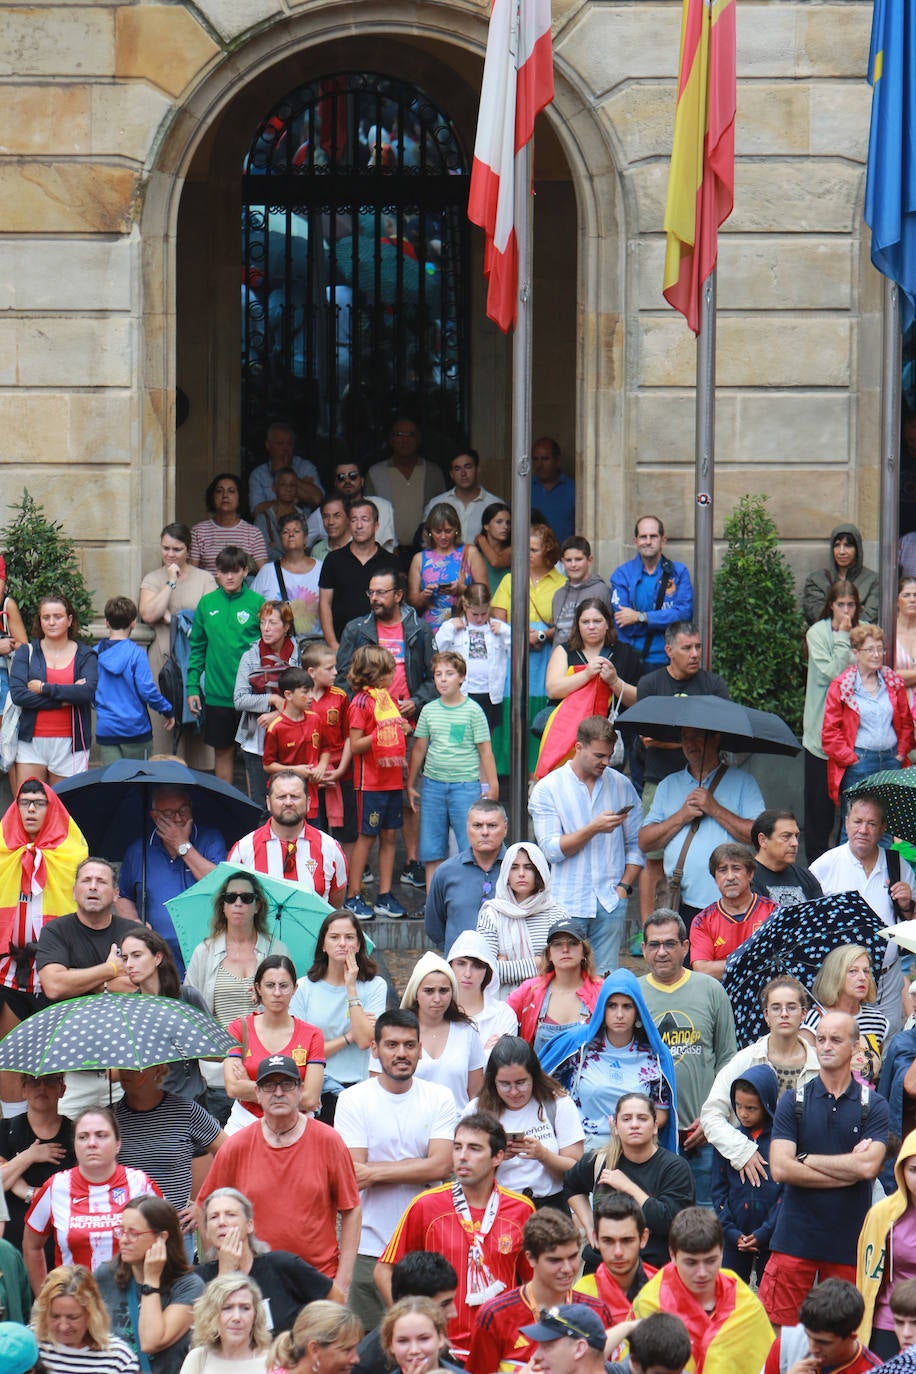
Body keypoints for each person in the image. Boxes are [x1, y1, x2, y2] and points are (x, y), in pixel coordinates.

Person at [761, 1011, 890, 1330]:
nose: (826, 1046)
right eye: (821, 1039)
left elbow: (869, 1166)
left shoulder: (873, 1105)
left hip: (849, 1242)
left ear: (855, 1046)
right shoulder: (793, 1100)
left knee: (844, 1336)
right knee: (781, 1337)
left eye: (836, 1039)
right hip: (794, 1238)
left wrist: (805, 1158)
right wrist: (850, 1168)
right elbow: (780, 1168)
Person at [375, 1112, 535, 1361]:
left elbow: (534, 1283)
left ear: (498, 1157)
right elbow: (384, 1271)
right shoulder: (426, 1205)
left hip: (502, 1351)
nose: (462, 1156)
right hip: (443, 1352)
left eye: (474, 1148)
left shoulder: (521, 1209)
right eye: (457, 1147)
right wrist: (412, 1324)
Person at [335, 1009, 456, 1330]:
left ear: (420, 1049)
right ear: (374, 1049)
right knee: (369, 1352)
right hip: (368, 1246)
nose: (401, 1053)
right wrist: (420, 1167)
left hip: (427, 1248)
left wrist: (375, 1173)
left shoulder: (440, 1097)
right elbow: (353, 1176)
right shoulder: (352, 1100)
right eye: (391, 1045)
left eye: (409, 1045)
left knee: (428, 1346)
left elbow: (443, 1165)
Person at [197, 1054, 361, 1287]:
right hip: (254, 1283)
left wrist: (343, 1280)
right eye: (269, 1085)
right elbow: (204, 1206)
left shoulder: (328, 1141)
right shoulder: (237, 1146)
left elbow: (352, 1209)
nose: (278, 1092)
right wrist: (223, 1270)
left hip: (318, 1279)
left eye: (286, 1084)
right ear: (257, 1093)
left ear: (300, 1090)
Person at [335, 568, 435, 890]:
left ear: (398, 595)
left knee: (408, 797)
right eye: (371, 593)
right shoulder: (357, 628)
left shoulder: (418, 628)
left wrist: (415, 702)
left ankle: (412, 864)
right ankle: (359, 878)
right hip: (371, 727)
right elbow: (342, 679)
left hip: (407, 723)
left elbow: (433, 679)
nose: (375, 599)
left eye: (381, 592)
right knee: (370, 813)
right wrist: (369, 711)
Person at [529, 715, 643, 977]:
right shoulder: (548, 788)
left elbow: (637, 844)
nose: (606, 762)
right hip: (566, 899)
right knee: (563, 977)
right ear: (578, 747)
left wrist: (624, 887)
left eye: (610, 755)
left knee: (604, 980)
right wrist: (593, 828)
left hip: (611, 899)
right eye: (599, 755)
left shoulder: (621, 785)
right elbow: (552, 851)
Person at [638, 909, 738, 1208]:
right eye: (654, 944)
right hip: (648, 1138)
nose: (662, 952)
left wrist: (713, 1118)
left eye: (670, 943)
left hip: (703, 1134)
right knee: (655, 1221)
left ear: (685, 947)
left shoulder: (711, 990)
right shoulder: (633, 994)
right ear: (643, 949)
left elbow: (728, 1061)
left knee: (706, 1219)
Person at [632, 621, 729, 920]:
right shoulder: (650, 684)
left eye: (698, 646)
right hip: (660, 778)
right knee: (654, 859)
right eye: (687, 648)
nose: (695, 653)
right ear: (669, 650)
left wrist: (669, 741)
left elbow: (720, 735)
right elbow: (646, 739)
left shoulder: (713, 686)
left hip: (707, 780)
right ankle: (649, 930)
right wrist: (692, 741)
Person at [182, 869, 289, 1125]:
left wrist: (266, 998)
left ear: (257, 905)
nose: (238, 903)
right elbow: (188, 1012)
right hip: (218, 1073)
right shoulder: (204, 951)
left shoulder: (276, 949)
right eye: (231, 898)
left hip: (266, 1069)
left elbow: (290, 1006)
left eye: (246, 898)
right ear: (223, 906)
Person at [639, 727, 765, 931]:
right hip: (681, 902)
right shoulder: (668, 784)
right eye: (685, 738)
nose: (690, 744)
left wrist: (714, 808)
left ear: (716, 739)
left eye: (697, 737)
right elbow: (645, 842)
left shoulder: (743, 782)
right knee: (686, 962)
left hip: (732, 901)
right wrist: (681, 816)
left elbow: (758, 836)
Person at [23, 1107, 160, 1294]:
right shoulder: (55, 1187)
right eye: (83, 1137)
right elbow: (31, 1245)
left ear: (118, 1143)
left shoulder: (141, 1184)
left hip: (131, 1304)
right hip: (74, 1307)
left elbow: (169, 1236)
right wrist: (44, 1298)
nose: (92, 1143)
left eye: (101, 1135)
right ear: (75, 1145)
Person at [809, 793, 914, 1035]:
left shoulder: (898, 865)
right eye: (857, 822)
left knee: (885, 1045)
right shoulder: (825, 865)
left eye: (872, 823)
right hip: (841, 981)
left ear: (883, 828)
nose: (863, 830)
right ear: (846, 823)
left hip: (887, 979)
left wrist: (908, 904)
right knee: (843, 1042)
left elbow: (913, 926)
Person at [700, 975, 819, 1187]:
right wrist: (743, 1151)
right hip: (756, 1173)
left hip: (804, 1172)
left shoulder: (820, 1065)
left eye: (791, 1007)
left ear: (803, 1014)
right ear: (766, 1015)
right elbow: (711, 1115)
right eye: (776, 1007)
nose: (784, 1014)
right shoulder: (745, 1060)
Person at [0, 779, 87, 1061]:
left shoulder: (72, 855)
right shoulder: (2, 850)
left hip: (56, 969)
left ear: (51, 808)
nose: (31, 809)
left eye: (39, 803)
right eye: (24, 802)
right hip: (8, 969)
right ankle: (15, 1109)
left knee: (53, 1056)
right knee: (9, 1054)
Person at [540, 970, 676, 1151]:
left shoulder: (655, 1054)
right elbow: (541, 1085)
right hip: (583, 1151)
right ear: (602, 1009)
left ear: (638, 1010)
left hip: (634, 1151)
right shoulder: (578, 1045)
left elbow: (661, 1109)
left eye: (627, 1006)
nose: (619, 1014)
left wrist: (634, 1134)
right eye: (612, 1006)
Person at [468, 1209, 611, 1374]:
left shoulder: (597, 1311)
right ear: (530, 1258)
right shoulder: (495, 1315)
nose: (567, 1269)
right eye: (554, 1260)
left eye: (572, 1257)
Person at [631, 1207, 774, 1372]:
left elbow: (766, 1365)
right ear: (672, 1255)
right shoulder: (650, 1303)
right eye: (691, 1263)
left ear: (721, 1252)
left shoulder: (746, 1305)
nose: (702, 1273)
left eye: (711, 1261)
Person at [564, 1092, 693, 1272]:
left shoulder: (675, 1168)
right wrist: (590, 1226)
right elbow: (571, 1185)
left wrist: (628, 1187)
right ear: (615, 1126)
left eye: (642, 1118)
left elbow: (668, 1223)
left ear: (655, 1126)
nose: (634, 1125)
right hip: (600, 1268)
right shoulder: (599, 1160)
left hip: (652, 1272)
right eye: (626, 1119)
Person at [407, 650, 497, 887]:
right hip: (433, 786)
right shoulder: (429, 710)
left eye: (449, 673)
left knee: (472, 845)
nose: (443, 679)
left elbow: (485, 751)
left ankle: (471, 899)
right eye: (438, 674)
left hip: (465, 786)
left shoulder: (473, 710)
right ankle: (433, 903)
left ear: (462, 677)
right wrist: (411, 783)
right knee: (431, 848)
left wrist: (492, 786)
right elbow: (419, 749)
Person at [196, 1189, 341, 1336]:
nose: (222, 1222)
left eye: (231, 1215)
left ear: (249, 1225)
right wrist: (225, 1273)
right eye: (214, 1217)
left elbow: (336, 1300)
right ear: (207, 1231)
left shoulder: (282, 1265)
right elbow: (204, 1335)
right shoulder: (198, 1279)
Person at [115, 784, 226, 977]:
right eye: (168, 813)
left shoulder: (210, 838)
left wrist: (182, 845)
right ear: (154, 816)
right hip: (158, 958)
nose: (178, 818)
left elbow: (221, 886)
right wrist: (134, 924)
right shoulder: (138, 849)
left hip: (209, 953)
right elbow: (124, 896)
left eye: (183, 810)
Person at [290, 910, 387, 1123]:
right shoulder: (304, 987)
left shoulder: (374, 986)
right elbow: (301, 1050)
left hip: (357, 1087)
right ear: (323, 945)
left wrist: (351, 986)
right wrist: (348, 1037)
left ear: (359, 944)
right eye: (334, 937)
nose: (342, 943)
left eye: (349, 937)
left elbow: (364, 1041)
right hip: (315, 1090)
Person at [469, 1034, 583, 1206]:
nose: (514, 1092)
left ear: (534, 1077)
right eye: (505, 1084)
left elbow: (575, 1168)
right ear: (493, 1082)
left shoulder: (558, 1104)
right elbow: (463, 1168)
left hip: (549, 1205)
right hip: (496, 1204)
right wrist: (495, 1157)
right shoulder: (476, 1110)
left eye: (521, 1083)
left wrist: (543, 1155)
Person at [95, 1194, 204, 1374]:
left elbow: (151, 1342)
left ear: (162, 1237)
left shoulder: (189, 1286)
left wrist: (151, 1281)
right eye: (121, 1231)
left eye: (133, 1233)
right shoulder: (106, 1275)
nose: (123, 1240)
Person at [139, 522, 217, 768]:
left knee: (198, 732)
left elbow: (209, 623)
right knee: (163, 730)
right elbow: (149, 614)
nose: (170, 555)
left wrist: (172, 619)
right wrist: (170, 582)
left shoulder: (205, 579)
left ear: (188, 550)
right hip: (162, 662)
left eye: (177, 549)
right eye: (166, 548)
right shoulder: (153, 579)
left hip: (196, 662)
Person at [822, 622, 913, 827]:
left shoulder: (893, 681)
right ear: (856, 652)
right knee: (856, 823)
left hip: (891, 760)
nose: (876, 654)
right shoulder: (843, 685)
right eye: (870, 649)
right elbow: (829, 732)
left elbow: (906, 722)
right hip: (860, 761)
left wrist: (900, 753)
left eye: (880, 649)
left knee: (889, 824)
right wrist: (852, 759)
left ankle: (884, 861)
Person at [491, 522, 566, 771]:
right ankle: (508, 775)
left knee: (542, 711)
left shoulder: (561, 582)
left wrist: (541, 636)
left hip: (547, 656)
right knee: (512, 711)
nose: (527, 554)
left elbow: (567, 623)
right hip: (514, 656)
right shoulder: (510, 579)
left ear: (548, 551)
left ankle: (539, 771)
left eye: (533, 549)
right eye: (524, 549)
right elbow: (497, 620)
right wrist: (521, 635)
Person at [186, 546, 264, 784]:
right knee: (222, 752)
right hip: (218, 696)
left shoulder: (258, 603)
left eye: (235, 571)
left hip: (251, 698)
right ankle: (228, 816)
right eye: (224, 571)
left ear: (245, 571)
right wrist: (191, 688)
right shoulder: (207, 603)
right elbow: (197, 648)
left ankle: (256, 814)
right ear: (216, 573)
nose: (229, 577)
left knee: (252, 755)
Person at [223, 954, 324, 1132]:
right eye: (270, 985)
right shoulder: (239, 1029)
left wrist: (252, 1086)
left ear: (294, 989)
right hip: (245, 1122)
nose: (277, 993)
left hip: (297, 1126)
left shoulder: (312, 1035)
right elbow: (232, 1088)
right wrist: (290, 1095)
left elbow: (311, 1098)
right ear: (258, 988)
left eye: (284, 986)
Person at [344, 645, 409, 920]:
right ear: (376, 673)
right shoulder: (360, 702)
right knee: (367, 837)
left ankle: (384, 894)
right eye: (389, 670)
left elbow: (393, 732)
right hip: (369, 782)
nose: (394, 674)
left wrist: (402, 728)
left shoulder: (386, 699)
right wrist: (380, 731)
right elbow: (356, 744)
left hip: (391, 779)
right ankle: (353, 894)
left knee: (390, 836)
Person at [115, 1067, 224, 1222]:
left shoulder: (185, 1110)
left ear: (158, 1070)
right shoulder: (111, 1118)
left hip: (177, 1230)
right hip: (127, 1230)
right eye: (123, 1067)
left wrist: (206, 1200)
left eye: (135, 1069)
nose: (125, 1072)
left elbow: (231, 1151)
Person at [9, 593, 98, 783]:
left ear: (69, 620)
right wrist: (65, 699)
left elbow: (85, 693)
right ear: (39, 621)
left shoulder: (85, 654)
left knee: (66, 809)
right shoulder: (27, 652)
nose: (51, 622)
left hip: (71, 744)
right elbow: (18, 695)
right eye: (45, 617)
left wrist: (44, 688)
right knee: (30, 805)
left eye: (58, 617)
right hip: (30, 743)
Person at [228, 770, 347, 907]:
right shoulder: (243, 850)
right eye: (281, 797)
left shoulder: (330, 849)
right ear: (268, 802)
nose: (288, 802)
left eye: (295, 796)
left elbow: (334, 907)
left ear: (308, 802)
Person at [120, 928, 213, 1104]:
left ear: (157, 957)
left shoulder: (187, 997)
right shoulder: (128, 1008)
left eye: (136, 955)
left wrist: (182, 1040)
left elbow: (216, 1053)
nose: (129, 964)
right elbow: (115, 1073)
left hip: (190, 1101)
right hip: (145, 1102)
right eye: (125, 958)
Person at [802, 579, 859, 861]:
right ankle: (815, 878)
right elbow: (832, 673)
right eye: (840, 605)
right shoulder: (817, 633)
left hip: (853, 740)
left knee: (853, 813)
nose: (845, 611)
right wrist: (842, 638)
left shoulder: (861, 634)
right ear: (830, 605)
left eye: (851, 605)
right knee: (819, 815)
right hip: (820, 739)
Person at [710, 1065, 782, 1283]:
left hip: (772, 1238)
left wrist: (765, 1232)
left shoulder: (781, 1141)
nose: (743, 1113)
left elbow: (786, 1195)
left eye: (751, 1108)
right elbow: (718, 1191)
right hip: (734, 1238)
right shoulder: (728, 1140)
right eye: (738, 1106)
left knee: (771, 1299)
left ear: (767, 1105)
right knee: (730, 1297)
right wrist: (731, 1232)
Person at [392, 952, 485, 1111]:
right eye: (429, 991)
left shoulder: (467, 1031)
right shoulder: (394, 1032)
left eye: (443, 991)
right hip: (409, 1128)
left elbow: (476, 1096)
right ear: (415, 993)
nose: (437, 999)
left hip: (458, 1129)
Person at [474, 844, 569, 997]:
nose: (521, 874)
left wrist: (506, 966)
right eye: (514, 867)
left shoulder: (557, 915)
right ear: (506, 872)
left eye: (529, 867)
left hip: (548, 1003)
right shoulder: (492, 914)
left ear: (539, 871)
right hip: (504, 1006)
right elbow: (486, 971)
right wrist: (539, 962)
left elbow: (564, 966)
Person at [232, 600, 300, 804]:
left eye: (272, 623)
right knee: (260, 802)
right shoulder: (251, 656)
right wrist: (272, 699)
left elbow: (307, 697)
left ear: (286, 626)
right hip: (257, 739)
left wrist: (280, 713)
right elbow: (240, 699)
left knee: (291, 798)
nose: (266, 628)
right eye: (263, 622)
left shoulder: (299, 655)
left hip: (294, 735)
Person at [0, 1072, 75, 1254]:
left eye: (50, 1082)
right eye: (34, 1082)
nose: (42, 1088)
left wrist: (26, 1192)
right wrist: (28, 1156)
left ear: (62, 1089)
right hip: (14, 1239)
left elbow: (79, 1191)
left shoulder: (76, 1133)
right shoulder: (5, 1129)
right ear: (23, 1089)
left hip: (61, 1236)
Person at [507, 920, 604, 1058]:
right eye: (557, 944)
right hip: (540, 1078)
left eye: (572, 943)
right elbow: (501, 1016)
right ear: (549, 955)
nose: (565, 949)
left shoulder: (601, 990)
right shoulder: (530, 989)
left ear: (584, 952)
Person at [94, 596, 175, 762]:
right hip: (136, 729)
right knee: (138, 783)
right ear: (133, 623)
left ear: (107, 623)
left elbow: (87, 689)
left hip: (107, 728)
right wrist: (166, 709)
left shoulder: (94, 653)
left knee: (113, 783)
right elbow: (147, 690)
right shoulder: (136, 653)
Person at [858, 1131, 916, 1358]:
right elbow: (868, 1278)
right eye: (913, 1170)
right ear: (901, 1170)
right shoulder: (881, 1214)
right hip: (889, 1321)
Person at [424, 800, 507, 954]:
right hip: (459, 970)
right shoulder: (446, 872)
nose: (484, 832)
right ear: (467, 828)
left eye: (492, 825)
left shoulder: (518, 869)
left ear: (505, 828)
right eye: (477, 825)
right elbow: (433, 926)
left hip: (508, 968)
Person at [610, 516, 694, 668]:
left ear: (663, 540)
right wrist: (664, 620)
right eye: (643, 537)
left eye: (653, 536)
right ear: (635, 541)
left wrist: (640, 617)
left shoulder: (679, 572)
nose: (648, 541)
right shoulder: (622, 575)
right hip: (633, 660)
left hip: (671, 662)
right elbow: (625, 624)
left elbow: (683, 617)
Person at [353, 1253, 458, 1374]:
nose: (453, 1313)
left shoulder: (436, 1348)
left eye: (424, 1339)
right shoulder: (365, 1366)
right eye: (444, 1304)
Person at [800, 945, 889, 1086]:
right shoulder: (815, 1019)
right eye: (853, 971)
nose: (862, 978)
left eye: (866, 971)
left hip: (867, 1104)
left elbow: (875, 1074)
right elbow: (805, 1070)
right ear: (835, 976)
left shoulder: (878, 1021)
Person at [688, 843, 777, 980]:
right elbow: (703, 970)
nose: (730, 877)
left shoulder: (773, 911)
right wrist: (755, 961)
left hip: (768, 995)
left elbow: (783, 959)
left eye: (736, 869)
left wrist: (724, 966)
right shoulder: (703, 921)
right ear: (715, 878)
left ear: (750, 874)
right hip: (722, 998)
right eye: (722, 870)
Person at [319, 500, 399, 650]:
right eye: (354, 520)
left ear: (376, 525)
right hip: (343, 644)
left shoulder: (391, 562)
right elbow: (324, 604)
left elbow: (398, 606)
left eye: (365, 519)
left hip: (383, 645)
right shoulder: (333, 560)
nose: (359, 525)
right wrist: (333, 645)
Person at [33, 1264, 140, 1374]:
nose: (63, 1326)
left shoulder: (118, 1358)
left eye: (72, 1317)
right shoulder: (28, 1345)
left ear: (91, 1314)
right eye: (55, 1316)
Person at [545, 597, 642, 717]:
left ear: (607, 624)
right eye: (585, 622)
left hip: (612, 729)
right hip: (570, 727)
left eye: (597, 621)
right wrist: (586, 675)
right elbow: (553, 691)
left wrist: (615, 682)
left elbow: (638, 701)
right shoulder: (564, 651)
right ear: (578, 625)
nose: (591, 627)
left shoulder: (625, 652)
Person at [300, 643, 355, 853]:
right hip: (310, 775)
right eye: (329, 668)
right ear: (311, 672)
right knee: (314, 831)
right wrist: (311, 771)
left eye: (335, 667)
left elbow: (349, 735)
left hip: (341, 771)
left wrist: (340, 769)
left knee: (346, 830)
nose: (335, 672)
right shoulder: (300, 699)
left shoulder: (339, 696)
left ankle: (347, 881)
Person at [434, 583, 510, 733]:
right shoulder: (452, 626)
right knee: (458, 734)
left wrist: (506, 632)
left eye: (484, 613)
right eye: (475, 614)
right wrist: (450, 629)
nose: (480, 618)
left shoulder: (499, 628)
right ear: (464, 606)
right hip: (461, 691)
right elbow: (437, 649)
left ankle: (483, 758)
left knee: (486, 736)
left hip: (490, 694)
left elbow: (515, 651)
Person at [763, 1279, 881, 1374]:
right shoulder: (784, 1347)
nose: (813, 1348)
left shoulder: (874, 1370)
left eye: (824, 1342)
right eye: (808, 1336)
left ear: (851, 1336)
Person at [366, 417, 445, 557]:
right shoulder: (376, 473)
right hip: (387, 552)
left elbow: (443, 514)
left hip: (428, 552)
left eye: (411, 435)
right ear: (390, 440)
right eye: (399, 435)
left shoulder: (434, 472)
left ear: (419, 439)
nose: (405, 440)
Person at [573, 1192, 656, 1322]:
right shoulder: (581, 1295)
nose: (618, 1252)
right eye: (608, 1241)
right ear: (595, 1239)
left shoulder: (663, 1290)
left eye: (627, 1240)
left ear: (643, 1238)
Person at [407, 504, 486, 633]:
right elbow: (411, 602)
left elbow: (484, 593)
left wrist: (462, 590)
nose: (443, 536)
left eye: (448, 531)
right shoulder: (420, 558)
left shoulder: (470, 553)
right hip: (430, 627)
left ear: (456, 530)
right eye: (438, 531)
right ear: (429, 532)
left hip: (464, 623)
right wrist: (424, 596)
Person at [250, 513, 322, 642]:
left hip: (315, 647)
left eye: (296, 531)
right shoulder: (267, 571)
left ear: (305, 538)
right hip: (278, 648)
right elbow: (251, 608)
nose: (291, 535)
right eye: (285, 532)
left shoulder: (321, 569)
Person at [180, 1272, 270, 1373]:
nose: (237, 1317)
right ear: (211, 1314)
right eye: (227, 1308)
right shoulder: (198, 1359)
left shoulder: (272, 1363)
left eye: (245, 1308)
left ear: (256, 1315)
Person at [446, 931, 517, 1049]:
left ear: (488, 971)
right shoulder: (438, 1011)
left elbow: (503, 1063)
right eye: (461, 963)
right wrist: (486, 1053)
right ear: (451, 965)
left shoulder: (504, 1014)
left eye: (477, 966)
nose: (468, 974)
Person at [306, 460, 396, 554]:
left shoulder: (382, 506)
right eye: (341, 477)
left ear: (362, 481)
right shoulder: (323, 512)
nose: (347, 480)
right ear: (335, 483)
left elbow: (392, 548)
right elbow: (301, 541)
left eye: (352, 476)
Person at [802, 523, 880, 625]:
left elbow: (868, 619)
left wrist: (832, 611)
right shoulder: (816, 580)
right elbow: (817, 616)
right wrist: (858, 610)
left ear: (858, 549)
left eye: (848, 545)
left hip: (858, 638)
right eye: (837, 545)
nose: (841, 551)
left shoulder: (873, 580)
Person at [190, 474, 268, 575]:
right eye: (219, 491)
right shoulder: (198, 531)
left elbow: (264, 575)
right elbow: (191, 573)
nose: (225, 495)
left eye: (231, 491)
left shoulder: (253, 533)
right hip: (208, 589)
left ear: (240, 497)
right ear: (212, 497)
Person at [422, 450, 501, 546]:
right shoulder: (436, 504)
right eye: (457, 469)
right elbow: (427, 542)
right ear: (451, 474)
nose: (463, 473)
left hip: (481, 560)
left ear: (477, 469)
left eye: (468, 467)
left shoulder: (495, 504)